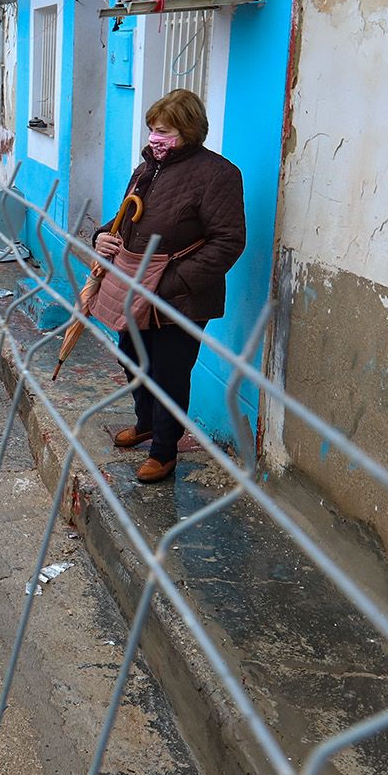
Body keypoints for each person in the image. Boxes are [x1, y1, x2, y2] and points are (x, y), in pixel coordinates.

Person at [93, 88, 244, 484]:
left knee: (169, 373)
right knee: (131, 356)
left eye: (163, 130)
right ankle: (146, 423)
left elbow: (229, 241)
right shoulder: (147, 169)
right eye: (152, 129)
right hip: (136, 287)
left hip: (181, 297)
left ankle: (164, 451)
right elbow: (128, 219)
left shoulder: (219, 175)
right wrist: (103, 235)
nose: (154, 138)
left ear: (188, 131)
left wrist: (171, 283)